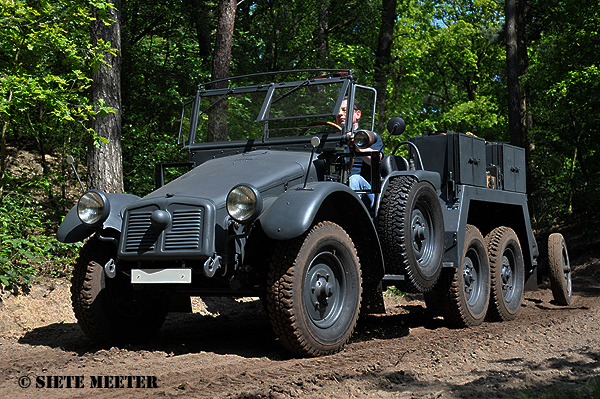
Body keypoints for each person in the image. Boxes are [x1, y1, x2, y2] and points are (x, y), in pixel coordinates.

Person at [335, 98, 383, 209]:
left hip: (365, 191)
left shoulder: (368, 137)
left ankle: (351, 217)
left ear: (358, 114)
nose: (340, 114)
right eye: (338, 111)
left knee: (354, 179)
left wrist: (357, 144)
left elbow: (376, 160)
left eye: (344, 110)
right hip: (335, 186)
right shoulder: (330, 139)